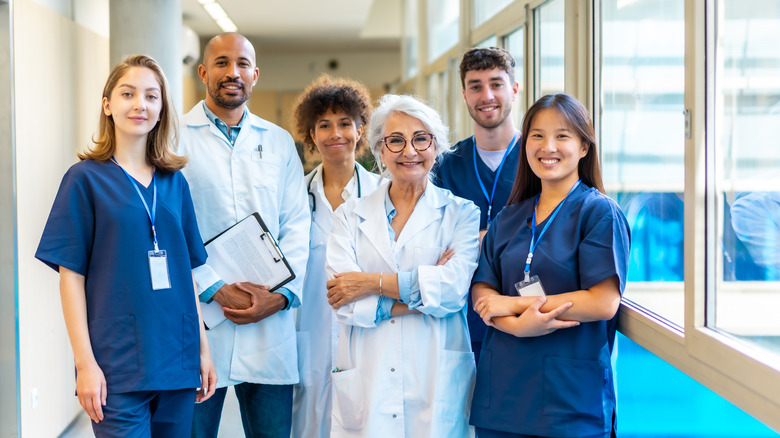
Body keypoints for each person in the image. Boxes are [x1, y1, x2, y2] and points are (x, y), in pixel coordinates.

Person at [35, 54, 217, 438]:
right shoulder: (84, 180)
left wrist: (203, 349)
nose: (140, 104)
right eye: (128, 94)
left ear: (162, 107)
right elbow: (71, 278)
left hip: (177, 356)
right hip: (116, 363)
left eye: (152, 96)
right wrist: (85, 363)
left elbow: (187, 273)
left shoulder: (174, 183)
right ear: (107, 104)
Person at [469, 93, 630, 438]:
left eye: (562, 136)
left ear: (584, 147)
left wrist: (514, 304)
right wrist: (516, 327)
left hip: (569, 403)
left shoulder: (599, 213)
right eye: (537, 136)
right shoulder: (509, 217)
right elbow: (482, 287)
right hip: (502, 399)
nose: (548, 146)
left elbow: (603, 302)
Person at [178, 33, 310, 438]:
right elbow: (169, 226)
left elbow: (297, 224)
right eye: (221, 62)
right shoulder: (174, 137)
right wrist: (213, 286)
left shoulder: (279, 142)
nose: (231, 72)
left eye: (241, 64)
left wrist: (282, 296)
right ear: (203, 72)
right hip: (202, 320)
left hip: (270, 324)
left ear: (255, 75)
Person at [325, 94, 480, 437]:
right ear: (379, 149)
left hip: (435, 375)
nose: (409, 151)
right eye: (395, 140)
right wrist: (424, 295)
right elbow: (343, 303)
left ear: (435, 146)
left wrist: (369, 283)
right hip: (369, 375)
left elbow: (452, 292)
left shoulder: (462, 214)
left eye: (420, 138)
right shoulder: (350, 215)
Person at [291, 75, 381, 438]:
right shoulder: (296, 196)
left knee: (364, 420)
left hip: (367, 330)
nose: (335, 134)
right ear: (311, 134)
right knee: (309, 423)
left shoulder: (381, 194)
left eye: (345, 123)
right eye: (324, 125)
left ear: (361, 129)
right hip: (310, 330)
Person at [433, 46, 521, 363]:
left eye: (496, 84)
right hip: (463, 322)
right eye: (476, 86)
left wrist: (474, 240)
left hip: (527, 315)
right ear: (464, 93)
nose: (487, 95)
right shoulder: (445, 166)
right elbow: (434, 247)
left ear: (514, 88)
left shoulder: (539, 159)